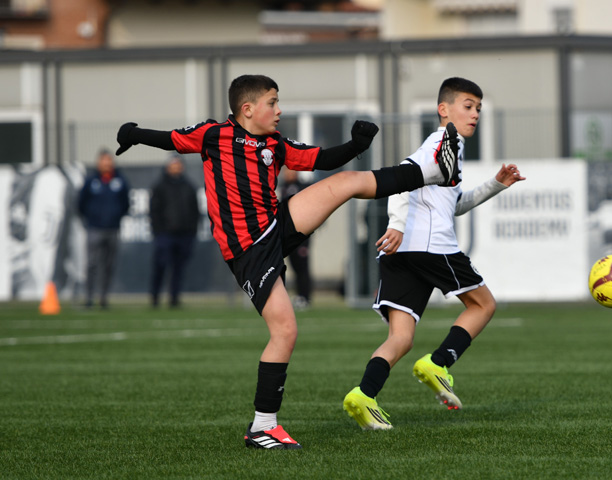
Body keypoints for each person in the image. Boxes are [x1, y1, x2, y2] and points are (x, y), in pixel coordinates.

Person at [114, 74, 461, 449]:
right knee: (285, 331)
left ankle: (433, 172)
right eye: (273, 103)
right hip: (248, 250)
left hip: (276, 224)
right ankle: (262, 427)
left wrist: (355, 145)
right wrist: (133, 133)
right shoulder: (214, 135)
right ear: (247, 109)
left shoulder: (275, 143)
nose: (279, 110)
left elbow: (321, 158)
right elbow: (170, 139)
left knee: (345, 182)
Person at [342, 77, 526, 430]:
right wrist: (396, 223)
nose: (475, 114)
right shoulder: (443, 140)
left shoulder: (451, 149)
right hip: (429, 245)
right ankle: (439, 363)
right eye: (467, 106)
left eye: (478, 108)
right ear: (444, 109)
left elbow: (453, 205)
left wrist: (495, 185)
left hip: (402, 252)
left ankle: (364, 395)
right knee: (483, 305)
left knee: (401, 338)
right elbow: (400, 178)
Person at [77, 149, 131, 309]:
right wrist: (90, 219)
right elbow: (81, 204)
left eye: (109, 160)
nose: (106, 163)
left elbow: (125, 204)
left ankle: (103, 297)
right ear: (98, 162)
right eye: (103, 160)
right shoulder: (91, 181)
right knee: (92, 264)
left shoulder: (120, 181)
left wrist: (116, 217)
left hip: (113, 229)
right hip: (94, 228)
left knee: (108, 265)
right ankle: (89, 297)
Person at [149, 155, 200, 308]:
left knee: (179, 268)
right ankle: (155, 297)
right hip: (165, 234)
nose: (176, 168)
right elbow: (154, 211)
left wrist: (192, 231)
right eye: (173, 165)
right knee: (161, 265)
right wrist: (158, 231)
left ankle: (174, 298)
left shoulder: (189, 186)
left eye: (178, 165)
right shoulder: (160, 186)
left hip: (184, 234)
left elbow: (195, 211)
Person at [277, 168, 312, 309]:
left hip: (301, 235)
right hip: (288, 233)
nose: (288, 174)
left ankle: (305, 297)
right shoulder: (283, 187)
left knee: (302, 266)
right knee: (293, 266)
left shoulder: (303, 187)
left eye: (290, 171)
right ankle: (298, 295)